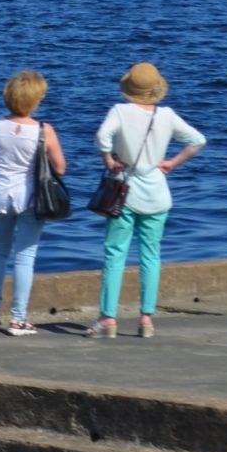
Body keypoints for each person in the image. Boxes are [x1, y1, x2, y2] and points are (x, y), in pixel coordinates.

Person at [86, 62, 207, 339]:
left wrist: (107, 158)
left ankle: (108, 318)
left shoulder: (120, 111)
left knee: (115, 255)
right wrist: (171, 163)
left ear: (129, 89)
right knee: (151, 257)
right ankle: (146, 319)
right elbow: (198, 140)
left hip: (124, 192)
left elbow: (101, 137)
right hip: (157, 193)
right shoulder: (167, 115)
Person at [0, 70, 67, 336]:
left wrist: (0, 164)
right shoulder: (43, 130)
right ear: (35, 100)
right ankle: (18, 319)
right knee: (25, 257)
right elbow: (60, 168)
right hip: (30, 197)